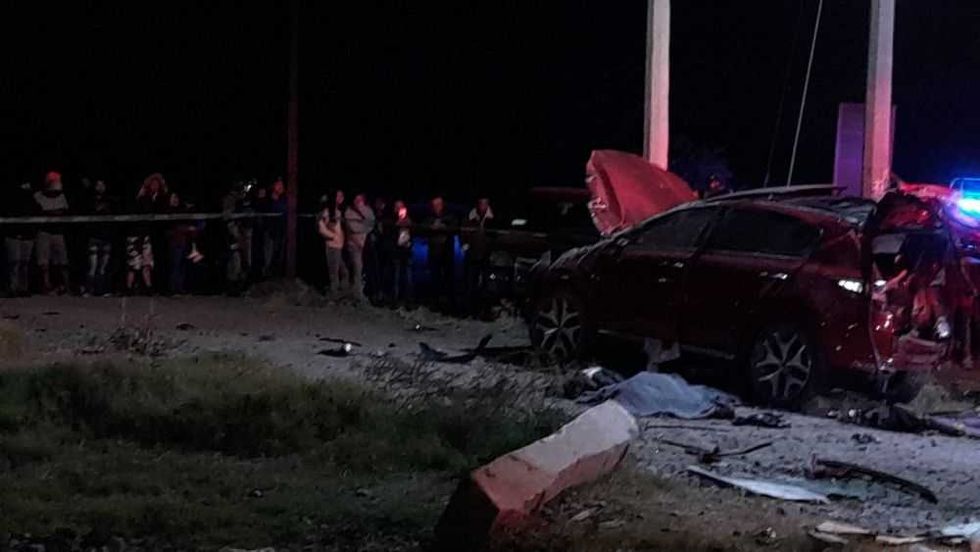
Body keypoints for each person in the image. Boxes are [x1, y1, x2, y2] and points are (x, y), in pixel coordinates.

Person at [127, 173, 168, 294]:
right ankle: (129, 288)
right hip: (134, 236)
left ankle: (149, 288)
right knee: (133, 265)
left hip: (146, 236)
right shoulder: (134, 201)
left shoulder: (151, 200)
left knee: (147, 264)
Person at [34, 171, 70, 294]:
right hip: (43, 232)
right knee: (43, 262)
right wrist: (52, 213)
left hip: (58, 232)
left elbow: (64, 212)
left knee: (62, 261)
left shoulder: (61, 196)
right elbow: (37, 212)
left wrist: (49, 213)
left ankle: (65, 286)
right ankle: (46, 286)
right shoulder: (38, 196)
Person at [422, 195, 457, 310]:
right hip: (434, 252)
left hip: (446, 252)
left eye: (438, 204)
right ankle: (435, 301)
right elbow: (424, 227)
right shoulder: (429, 217)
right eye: (434, 205)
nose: (436, 207)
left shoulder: (449, 216)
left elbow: (454, 227)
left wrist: (443, 226)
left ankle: (449, 302)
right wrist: (431, 227)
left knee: (448, 278)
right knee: (434, 277)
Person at [463, 197, 495, 317]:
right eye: (481, 204)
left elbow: (493, 236)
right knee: (471, 283)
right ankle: (471, 310)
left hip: (486, 255)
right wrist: (465, 244)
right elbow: (464, 232)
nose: (483, 206)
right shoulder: (471, 217)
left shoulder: (491, 219)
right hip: (472, 254)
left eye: (485, 204)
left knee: (487, 284)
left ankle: (486, 311)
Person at [84, 180, 116, 296]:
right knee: (92, 265)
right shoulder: (90, 200)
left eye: (103, 185)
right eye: (98, 185)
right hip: (94, 237)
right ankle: (89, 290)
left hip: (106, 237)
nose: (100, 187)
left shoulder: (110, 201)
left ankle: (102, 290)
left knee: (104, 266)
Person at [4, 182, 37, 296]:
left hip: (28, 236)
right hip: (13, 236)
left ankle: (23, 288)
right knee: (14, 263)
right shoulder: (10, 202)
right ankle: (13, 288)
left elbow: (37, 211)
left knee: (24, 263)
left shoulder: (32, 203)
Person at [344, 193, 376, 299]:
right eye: (356, 199)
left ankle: (366, 291)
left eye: (360, 199)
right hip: (354, 244)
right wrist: (364, 227)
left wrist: (363, 212)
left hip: (366, 244)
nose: (358, 201)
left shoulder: (368, 210)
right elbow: (353, 228)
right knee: (357, 268)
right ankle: (357, 293)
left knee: (365, 269)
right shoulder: (349, 212)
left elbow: (371, 224)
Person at [384, 199, 414, 307]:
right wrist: (396, 224)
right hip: (396, 252)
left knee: (408, 277)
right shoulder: (390, 220)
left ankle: (408, 300)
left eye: (401, 207)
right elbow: (388, 234)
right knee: (395, 276)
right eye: (396, 207)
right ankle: (394, 300)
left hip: (407, 252)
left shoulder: (409, 220)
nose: (398, 209)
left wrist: (408, 225)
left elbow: (414, 234)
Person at [165, 192, 196, 295]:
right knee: (175, 265)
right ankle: (173, 288)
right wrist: (185, 229)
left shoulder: (182, 211)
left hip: (184, 241)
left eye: (176, 197)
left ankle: (180, 287)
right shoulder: (168, 212)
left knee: (183, 264)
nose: (175, 200)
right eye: (173, 197)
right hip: (175, 242)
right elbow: (171, 228)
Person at [317, 195, 347, 294]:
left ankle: (341, 293)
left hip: (338, 245)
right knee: (335, 273)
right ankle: (335, 294)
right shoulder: (325, 213)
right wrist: (333, 236)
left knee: (343, 272)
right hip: (332, 245)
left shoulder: (337, 212)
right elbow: (322, 229)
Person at [260, 177, 287, 279]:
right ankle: (267, 273)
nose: (280, 187)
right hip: (270, 230)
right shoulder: (268, 198)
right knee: (268, 253)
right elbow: (263, 210)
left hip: (281, 230)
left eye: (281, 185)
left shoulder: (285, 198)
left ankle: (277, 273)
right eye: (278, 185)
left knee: (279, 252)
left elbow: (283, 210)